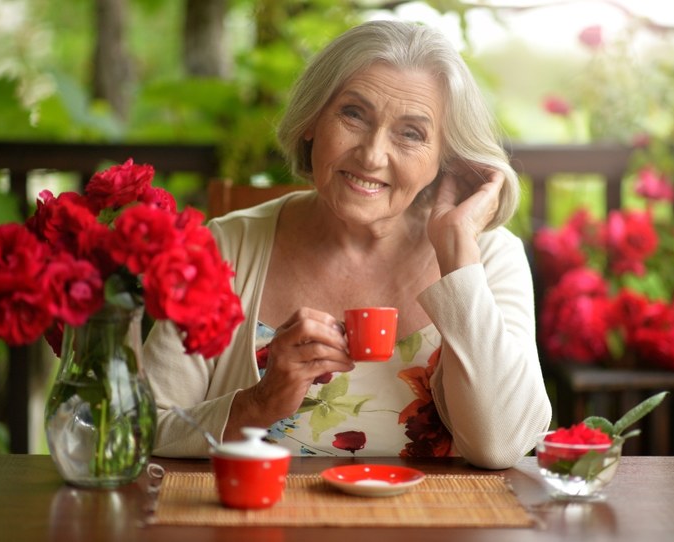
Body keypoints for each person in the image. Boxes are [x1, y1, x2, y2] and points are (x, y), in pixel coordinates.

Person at [143, 19, 551, 469]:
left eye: (411, 133)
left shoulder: (489, 258)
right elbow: (146, 425)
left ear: (444, 161)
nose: (372, 155)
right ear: (312, 121)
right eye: (354, 114)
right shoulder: (223, 247)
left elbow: (502, 446)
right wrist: (257, 403)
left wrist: (456, 253)